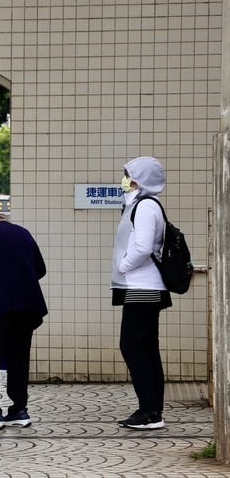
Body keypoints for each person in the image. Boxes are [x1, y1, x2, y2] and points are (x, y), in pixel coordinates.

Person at [0, 213, 48, 430]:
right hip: (28, 304)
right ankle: (19, 410)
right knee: (19, 357)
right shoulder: (23, 233)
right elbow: (40, 269)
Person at [111, 156, 170, 430]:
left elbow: (143, 246)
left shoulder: (146, 206)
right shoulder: (141, 204)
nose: (125, 179)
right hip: (145, 286)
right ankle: (152, 410)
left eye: (129, 175)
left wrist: (123, 266)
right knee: (146, 348)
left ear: (140, 179)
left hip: (143, 287)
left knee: (133, 346)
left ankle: (149, 412)